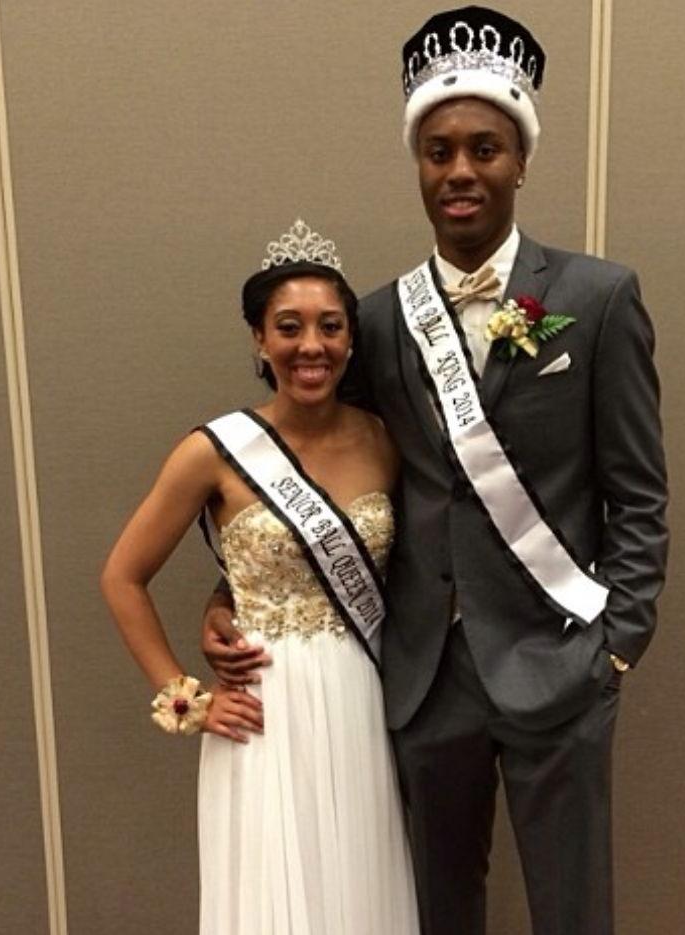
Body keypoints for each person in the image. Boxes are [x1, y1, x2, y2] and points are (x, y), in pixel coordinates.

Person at [204, 8, 669, 935]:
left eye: (484, 147)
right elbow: (322, 463)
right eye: (439, 149)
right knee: (434, 911)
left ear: (520, 158)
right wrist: (230, 596)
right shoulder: (372, 320)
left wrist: (614, 643)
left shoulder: (596, 297)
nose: (460, 170)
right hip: (422, 674)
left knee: (573, 912)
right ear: (418, 163)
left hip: (559, 659)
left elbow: (639, 492)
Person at [101, 222, 418, 935]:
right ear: (258, 338)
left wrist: (218, 598)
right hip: (262, 709)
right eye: (289, 326)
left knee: (357, 885)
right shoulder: (213, 450)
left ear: (349, 339)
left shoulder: (384, 440)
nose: (312, 345)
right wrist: (184, 697)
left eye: (330, 326)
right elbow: (123, 576)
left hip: (362, 696)